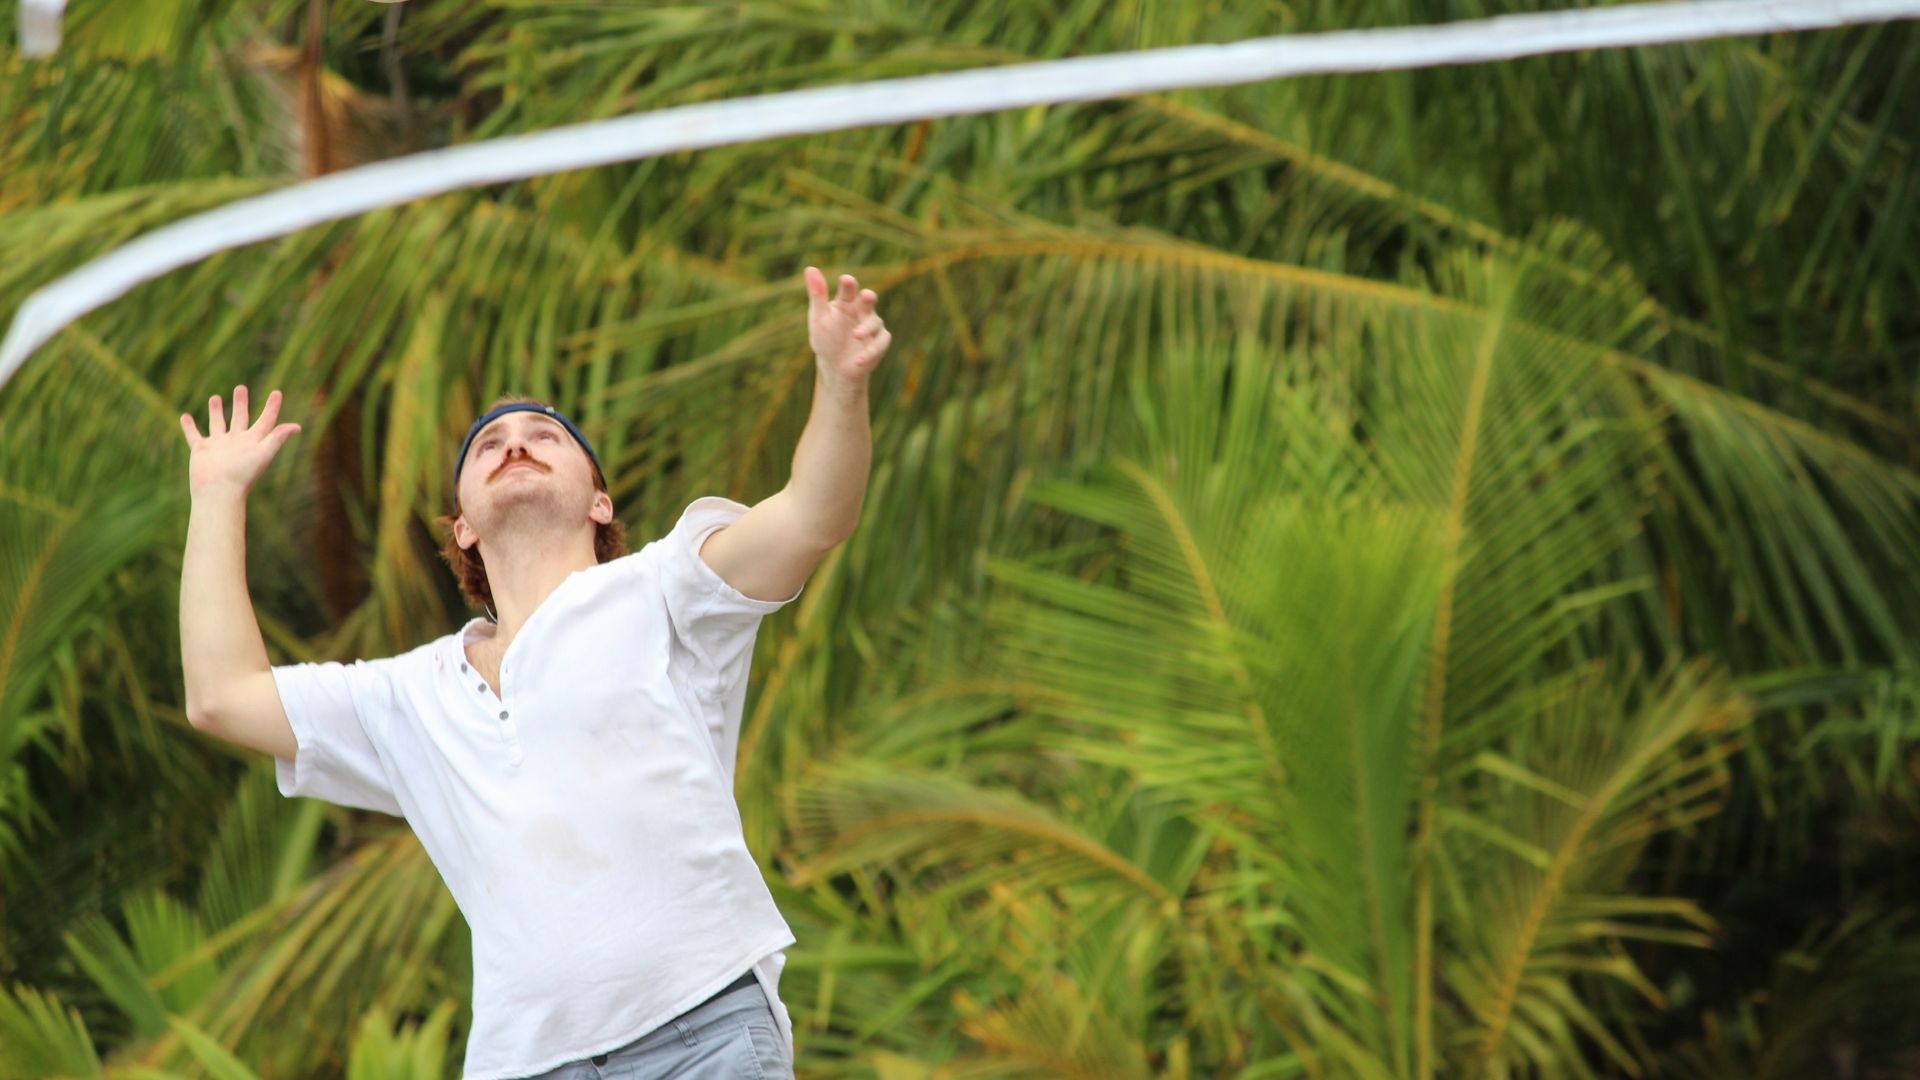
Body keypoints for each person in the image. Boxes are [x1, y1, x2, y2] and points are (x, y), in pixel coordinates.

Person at [177, 267, 890, 1079]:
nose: (514, 443)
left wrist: (839, 384)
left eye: (546, 436)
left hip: (705, 1033)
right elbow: (220, 698)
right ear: (464, 530)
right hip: (524, 1065)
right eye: (488, 444)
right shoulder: (407, 696)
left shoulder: (666, 587)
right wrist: (216, 495)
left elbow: (814, 512)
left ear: (600, 504)